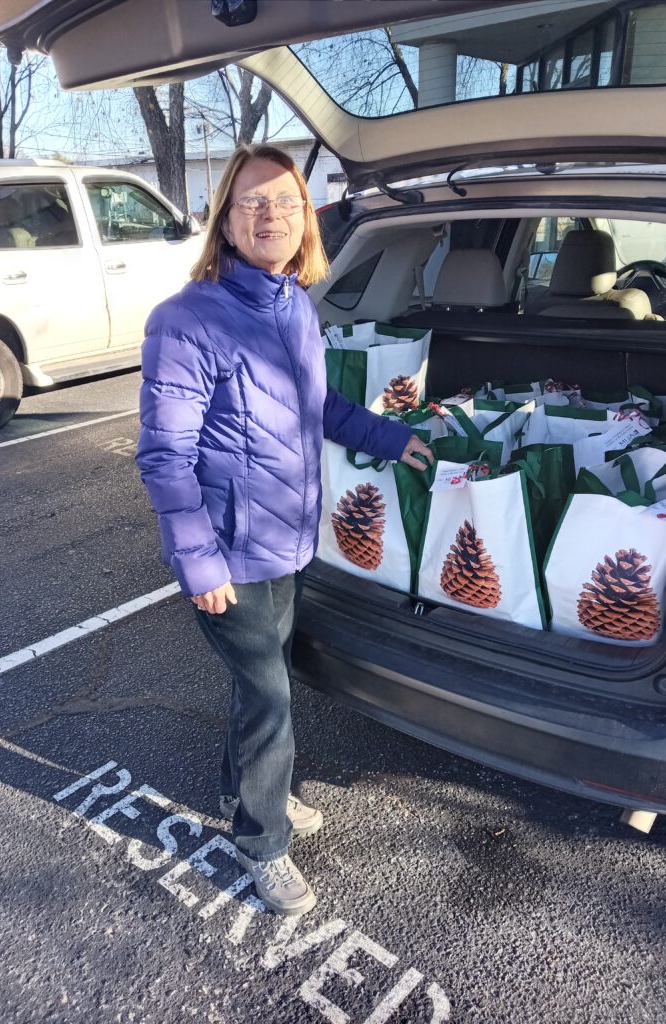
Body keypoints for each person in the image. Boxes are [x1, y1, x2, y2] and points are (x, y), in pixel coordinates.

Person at [136, 143, 432, 917]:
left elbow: (319, 408)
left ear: (307, 221)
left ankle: (244, 784)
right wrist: (198, 563)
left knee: (261, 681)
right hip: (227, 552)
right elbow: (165, 458)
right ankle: (263, 840)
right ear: (224, 222)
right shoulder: (186, 320)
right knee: (270, 693)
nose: (271, 215)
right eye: (252, 203)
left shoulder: (295, 305)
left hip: (288, 541)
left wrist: (390, 437)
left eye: (286, 203)